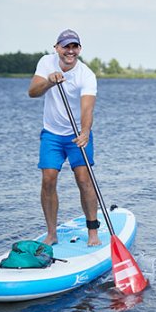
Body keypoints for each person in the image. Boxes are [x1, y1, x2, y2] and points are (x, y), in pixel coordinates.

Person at [28, 29, 101, 247]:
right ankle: (51, 234)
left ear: (79, 49)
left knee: (84, 179)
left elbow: (87, 108)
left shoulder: (86, 75)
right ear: (57, 48)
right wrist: (49, 81)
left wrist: (85, 131)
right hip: (51, 133)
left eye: (74, 47)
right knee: (48, 179)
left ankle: (93, 233)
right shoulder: (46, 62)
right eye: (65, 47)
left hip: (77, 134)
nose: (70, 51)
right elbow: (32, 92)